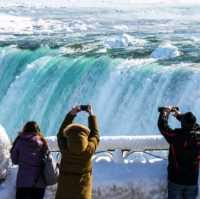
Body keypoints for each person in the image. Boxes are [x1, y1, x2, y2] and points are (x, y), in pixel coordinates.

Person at [55, 105, 100, 199]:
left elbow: (60, 135)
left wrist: (71, 114)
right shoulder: (88, 151)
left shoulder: (65, 150)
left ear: (69, 137)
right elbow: (95, 135)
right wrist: (91, 114)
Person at [158, 106, 200, 199]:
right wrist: (179, 116)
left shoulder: (175, 136)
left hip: (176, 180)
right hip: (192, 181)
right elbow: (195, 126)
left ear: (183, 124)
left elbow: (162, 126)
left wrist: (165, 111)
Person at [10, 121, 48, 199]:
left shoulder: (20, 141)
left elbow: (14, 160)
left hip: (24, 182)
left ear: (25, 129)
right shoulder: (43, 142)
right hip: (39, 182)